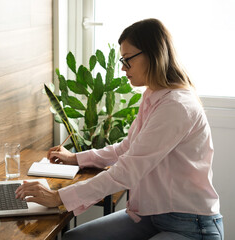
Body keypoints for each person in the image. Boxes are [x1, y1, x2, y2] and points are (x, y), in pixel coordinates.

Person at [15, 18, 224, 240]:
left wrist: (58, 197)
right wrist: (76, 158)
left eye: (127, 60)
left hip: (191, 226)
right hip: (149, 217)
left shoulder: (176, 106)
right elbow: (126, 148)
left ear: (153, 54)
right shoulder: (153, 95)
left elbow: (129, 169)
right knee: (74, 238)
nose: (123, 67)